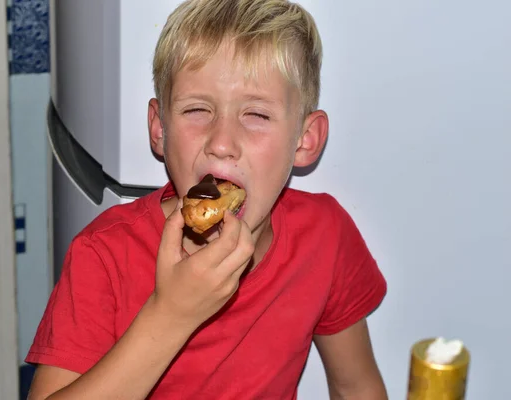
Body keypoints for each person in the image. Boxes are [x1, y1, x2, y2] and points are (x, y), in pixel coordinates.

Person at [26, 0, 388, 398]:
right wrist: (171, 314)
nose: (221, 144)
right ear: (159, 128)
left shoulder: (325, 237)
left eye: (257, 115)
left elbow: (356, 386)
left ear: (305, 141)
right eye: (197, 109)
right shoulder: (104, 256)